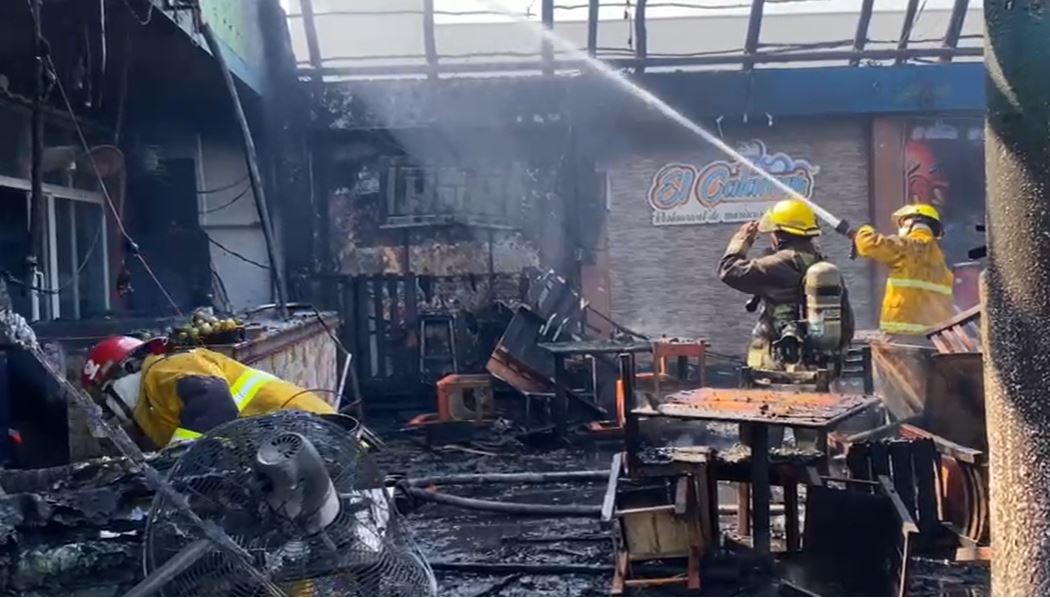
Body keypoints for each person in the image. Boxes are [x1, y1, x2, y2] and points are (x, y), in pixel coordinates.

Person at [81, 336, 335, 450]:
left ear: (123, 373)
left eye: (107, 398)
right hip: (297, 444)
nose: (112, 411)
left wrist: (179, 460)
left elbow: (213, 402)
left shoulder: (165, 368)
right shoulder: (154, 401)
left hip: (315, 437)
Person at [719, 198, 854, 372]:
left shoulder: (779, 264)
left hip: (776, 367)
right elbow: (847, 320)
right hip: (817, 366)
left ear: (779, 234)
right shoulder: (822, 265)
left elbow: (728, 270)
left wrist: (742, 239)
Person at [851, 203, 954, 336]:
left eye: (902, 225)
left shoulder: (908, 247)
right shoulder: (940, 260)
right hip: (933, 340)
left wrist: (862, 231)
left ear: (910, 224)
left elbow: (868, 245)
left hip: (900, 337)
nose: (899, 230)